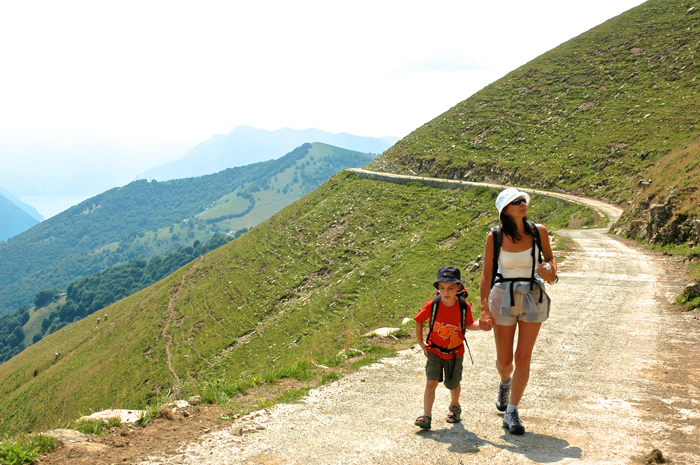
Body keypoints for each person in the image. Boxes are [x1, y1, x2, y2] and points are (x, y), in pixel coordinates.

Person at [478, 187, 557, 435]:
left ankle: (512, 411)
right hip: (503, 296)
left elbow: (551, 263)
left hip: (533, 294)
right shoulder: (495, 237)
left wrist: (549, 272)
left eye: (523, 200)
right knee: (505, 361)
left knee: (523, 357)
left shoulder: (538, 231)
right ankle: (505, 382)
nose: (523, 204)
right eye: (516, 202)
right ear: (505, 211)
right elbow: (487, 273)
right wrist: (483, 309)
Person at [414, 266, 486, 430]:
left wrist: (482, 326)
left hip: (455, 353)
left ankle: (454, 408)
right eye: (442, 288)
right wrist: (422, 344)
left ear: (459, 288)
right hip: (434, 350)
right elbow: (419, 320)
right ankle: (426, 416)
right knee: (431, 382)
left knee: (453, 384)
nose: (445, 292)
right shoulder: (433, 305)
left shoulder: (463, 306)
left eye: (450, 288)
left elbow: (468, 324)